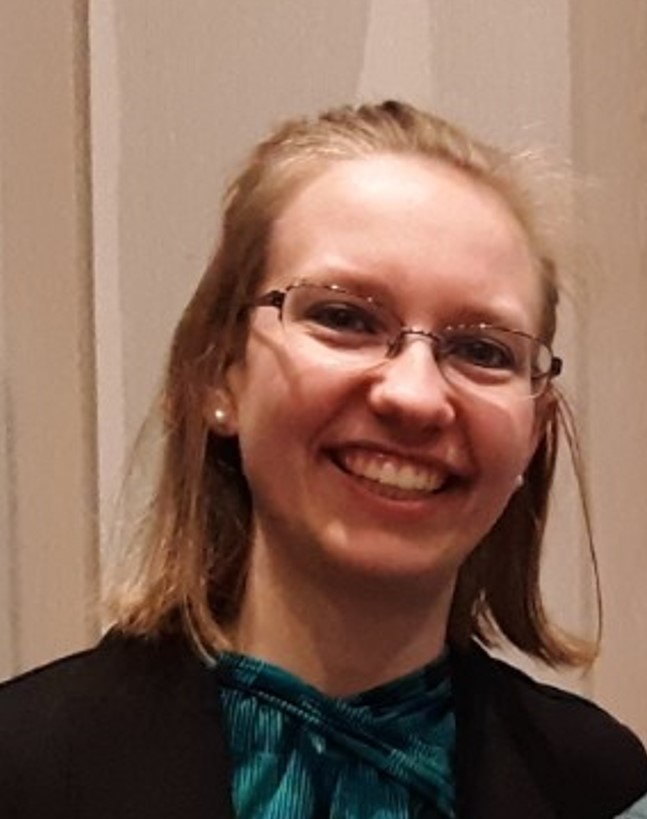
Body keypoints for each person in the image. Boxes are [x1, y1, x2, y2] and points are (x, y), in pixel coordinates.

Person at [0, 100, 645, 819]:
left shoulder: (602, 788)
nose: (414, 394)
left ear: (532, 431)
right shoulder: (23, 770)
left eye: (481, 350)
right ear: (218, 373)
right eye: (343, 317)